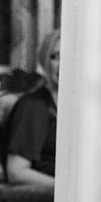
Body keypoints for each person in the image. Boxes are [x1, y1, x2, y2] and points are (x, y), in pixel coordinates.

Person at [5, 30, 60, 189]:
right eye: (55, 56)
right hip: (51, 200)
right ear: (45, 63)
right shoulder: (34, 106)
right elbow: (16, 172)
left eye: (71, 57)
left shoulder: (89, 109)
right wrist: (66, 190)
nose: (63, 63)